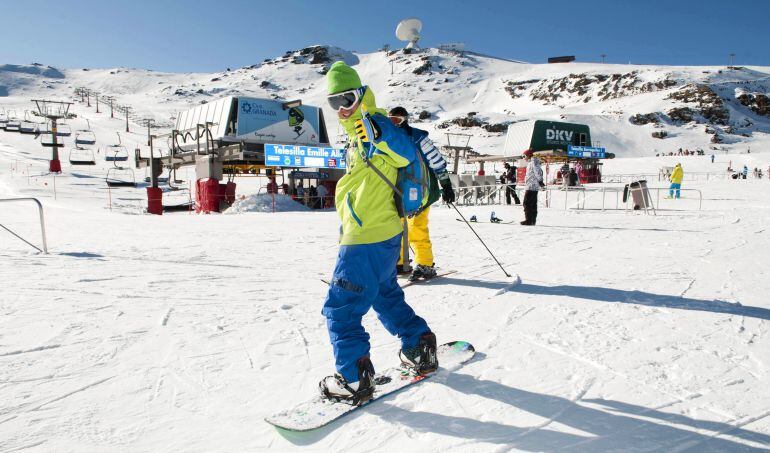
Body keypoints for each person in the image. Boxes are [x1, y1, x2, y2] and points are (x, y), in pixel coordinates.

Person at [319, 62, 437, 405]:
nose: (343, 108)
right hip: (381, 232)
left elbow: (401, 151)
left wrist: (378, 133)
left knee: (341, 308)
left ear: (361, 94)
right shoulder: (358, 130)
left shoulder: (375, 123)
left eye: (348, 98)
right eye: (334, 102)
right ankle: (419, 345)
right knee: (384, 294)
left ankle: (354, 379)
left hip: (365, 237)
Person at [387, 106, 455, 281]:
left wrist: (446, 185)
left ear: (405, 120)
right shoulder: (389, 139)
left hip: (422, 191)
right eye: (391, 120)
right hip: (399, 192)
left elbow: (437, 162)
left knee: (416, 227)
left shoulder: (418, 138)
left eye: (398, 120)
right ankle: (401, 263)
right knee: (396, 227)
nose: (394, 124)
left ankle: (425, 264)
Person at [521, 149, 544, 225]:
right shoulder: (532, 162)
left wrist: (540, 181)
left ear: (528, 155)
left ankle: (529, 220)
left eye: (524, 156)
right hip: (532, 185)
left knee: (526, 203)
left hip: (531, 186)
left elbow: (538, 172)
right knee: (533, 204)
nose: (524, 158)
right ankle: (532, 220)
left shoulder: (533, 162)